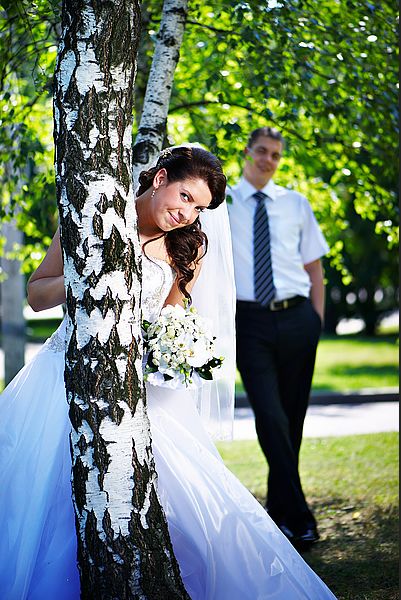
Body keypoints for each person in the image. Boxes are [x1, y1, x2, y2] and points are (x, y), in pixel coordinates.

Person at [0, 145, 337, 599]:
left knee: (170, 502)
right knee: (49, 496)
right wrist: (89, 276)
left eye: (199, 208)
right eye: (185, 196)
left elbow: (172, 319)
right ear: (159, 178)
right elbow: (37, 294)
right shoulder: (92, 214)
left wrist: (174, 353)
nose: (188, 214)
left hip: (138, 390)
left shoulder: (187, 246)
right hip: (63, 378)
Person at [228, 128, 330, 551]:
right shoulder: (221, 205)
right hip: (248, 323)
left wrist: (316, 322)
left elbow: (314, 269)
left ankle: (278, 513)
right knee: (270, 417)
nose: (268, 160)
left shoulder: (296, 204)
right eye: (262, 152)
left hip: (297, 320)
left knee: (292, 423)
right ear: (247, 152)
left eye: (276, 155)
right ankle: (302, 516)